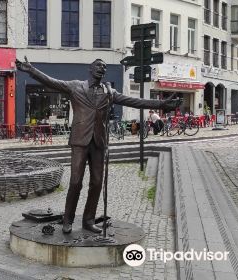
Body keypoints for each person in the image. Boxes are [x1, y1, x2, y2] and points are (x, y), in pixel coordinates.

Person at [16, 57, 180, 234]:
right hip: (80, 140)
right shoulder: (75, 86)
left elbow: (134, 101)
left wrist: (161, 104)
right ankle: (68, 219)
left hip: (99, 142)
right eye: (99, 66)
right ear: (90, 69)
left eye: (104, 67)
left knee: (96, 182)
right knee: (75, 182)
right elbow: (51, 81)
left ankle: (88, 220)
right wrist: (31, 70)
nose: (102, 69)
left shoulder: (109, 92)